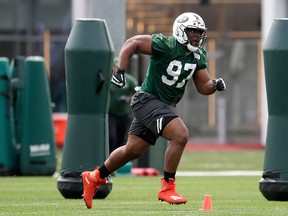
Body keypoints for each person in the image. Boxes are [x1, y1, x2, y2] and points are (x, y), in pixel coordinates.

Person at [81, 12, 226, 208]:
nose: (196, 36)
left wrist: (214, 85)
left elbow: (203, 87)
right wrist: (121, 71)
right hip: (148, 100)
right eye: (192, 31)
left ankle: (94, 176)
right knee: (180, 135)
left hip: (160, 106)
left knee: (132, 150)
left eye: (199, 33)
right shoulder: (166, 45)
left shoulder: (197, 55)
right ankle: (167, 187)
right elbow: (132, 42)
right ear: (181, 30)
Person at [109, 58, 138, 154]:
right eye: (115, 67)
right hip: (111, 113)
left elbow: (136, 90)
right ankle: (109, 157)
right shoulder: (109, 80)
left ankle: (115, 158)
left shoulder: (129, 80)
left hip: (124, 114)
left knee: (122, 138)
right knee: (111, 137)